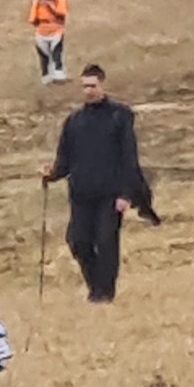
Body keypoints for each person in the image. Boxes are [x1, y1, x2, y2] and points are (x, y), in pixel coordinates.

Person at [42, 64, 143, 304]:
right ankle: (96, 286)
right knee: (78, 241)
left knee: (106, 242)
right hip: (81, 194)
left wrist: (126, 194)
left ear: (102, 84)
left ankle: (104, 293)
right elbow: (64, 160)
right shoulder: (74, 121)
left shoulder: (120, 115)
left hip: (110, 194)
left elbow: (129, 157)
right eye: (84, 86)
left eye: (92, 86)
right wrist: (50, 174)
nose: (88, 91)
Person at [29, 0, 68, 83]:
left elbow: (62, 13)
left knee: (56, 52)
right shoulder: (36, 3)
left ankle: (58, 74)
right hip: (41, 31)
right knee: (44, 55)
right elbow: (32, 19)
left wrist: (50, 5)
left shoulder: (58, 0)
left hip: (56, 30)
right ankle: (46, 76)